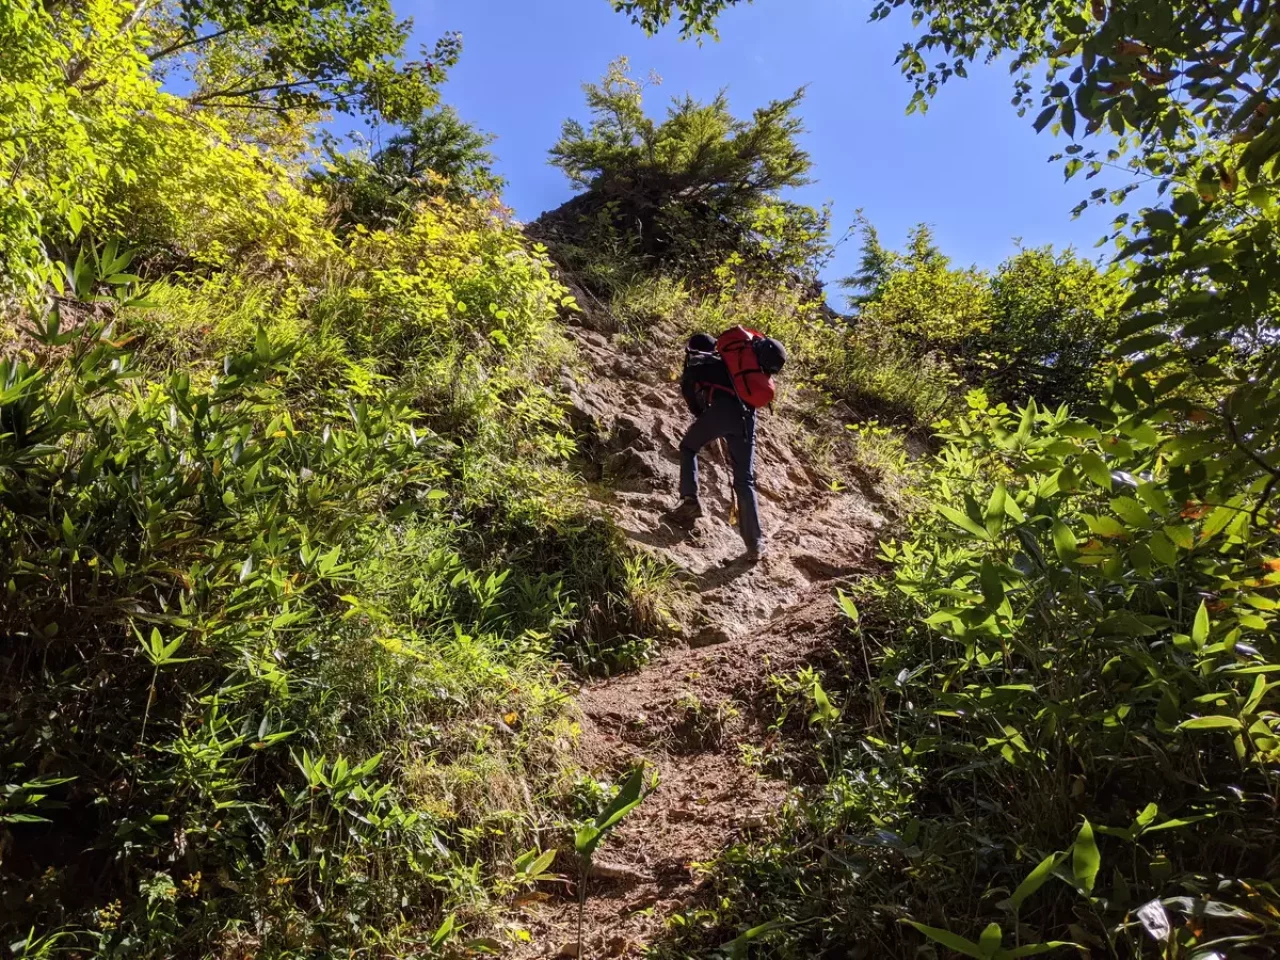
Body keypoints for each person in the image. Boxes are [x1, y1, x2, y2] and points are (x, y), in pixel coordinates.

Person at [670, 331, 786, 563]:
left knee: (689, 447)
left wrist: (703, 417)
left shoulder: (702, 361)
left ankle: (690, 502)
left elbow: (690, 393)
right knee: (744, 481)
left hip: (722, 411)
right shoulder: (738, 366)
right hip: (747, 419)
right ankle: (755, 545)